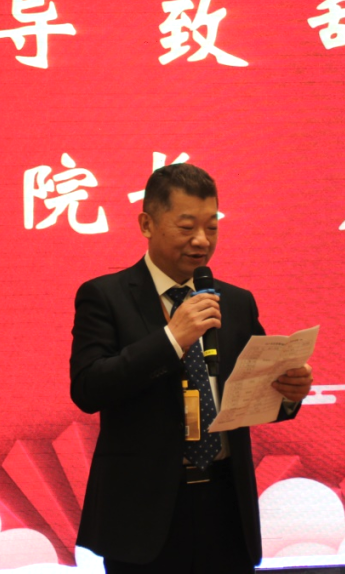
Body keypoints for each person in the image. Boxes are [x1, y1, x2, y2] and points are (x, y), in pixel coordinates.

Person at [69, 163, 313, 574]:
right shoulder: (104, 296)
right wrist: (171, 339)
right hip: (143, 513)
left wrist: (288, 391)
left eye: (212, 227)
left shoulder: (235, 302)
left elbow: (255, 392)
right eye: (187, 227)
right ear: (147, 224)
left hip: (226, 504)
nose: (202, 240)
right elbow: (88, 388)